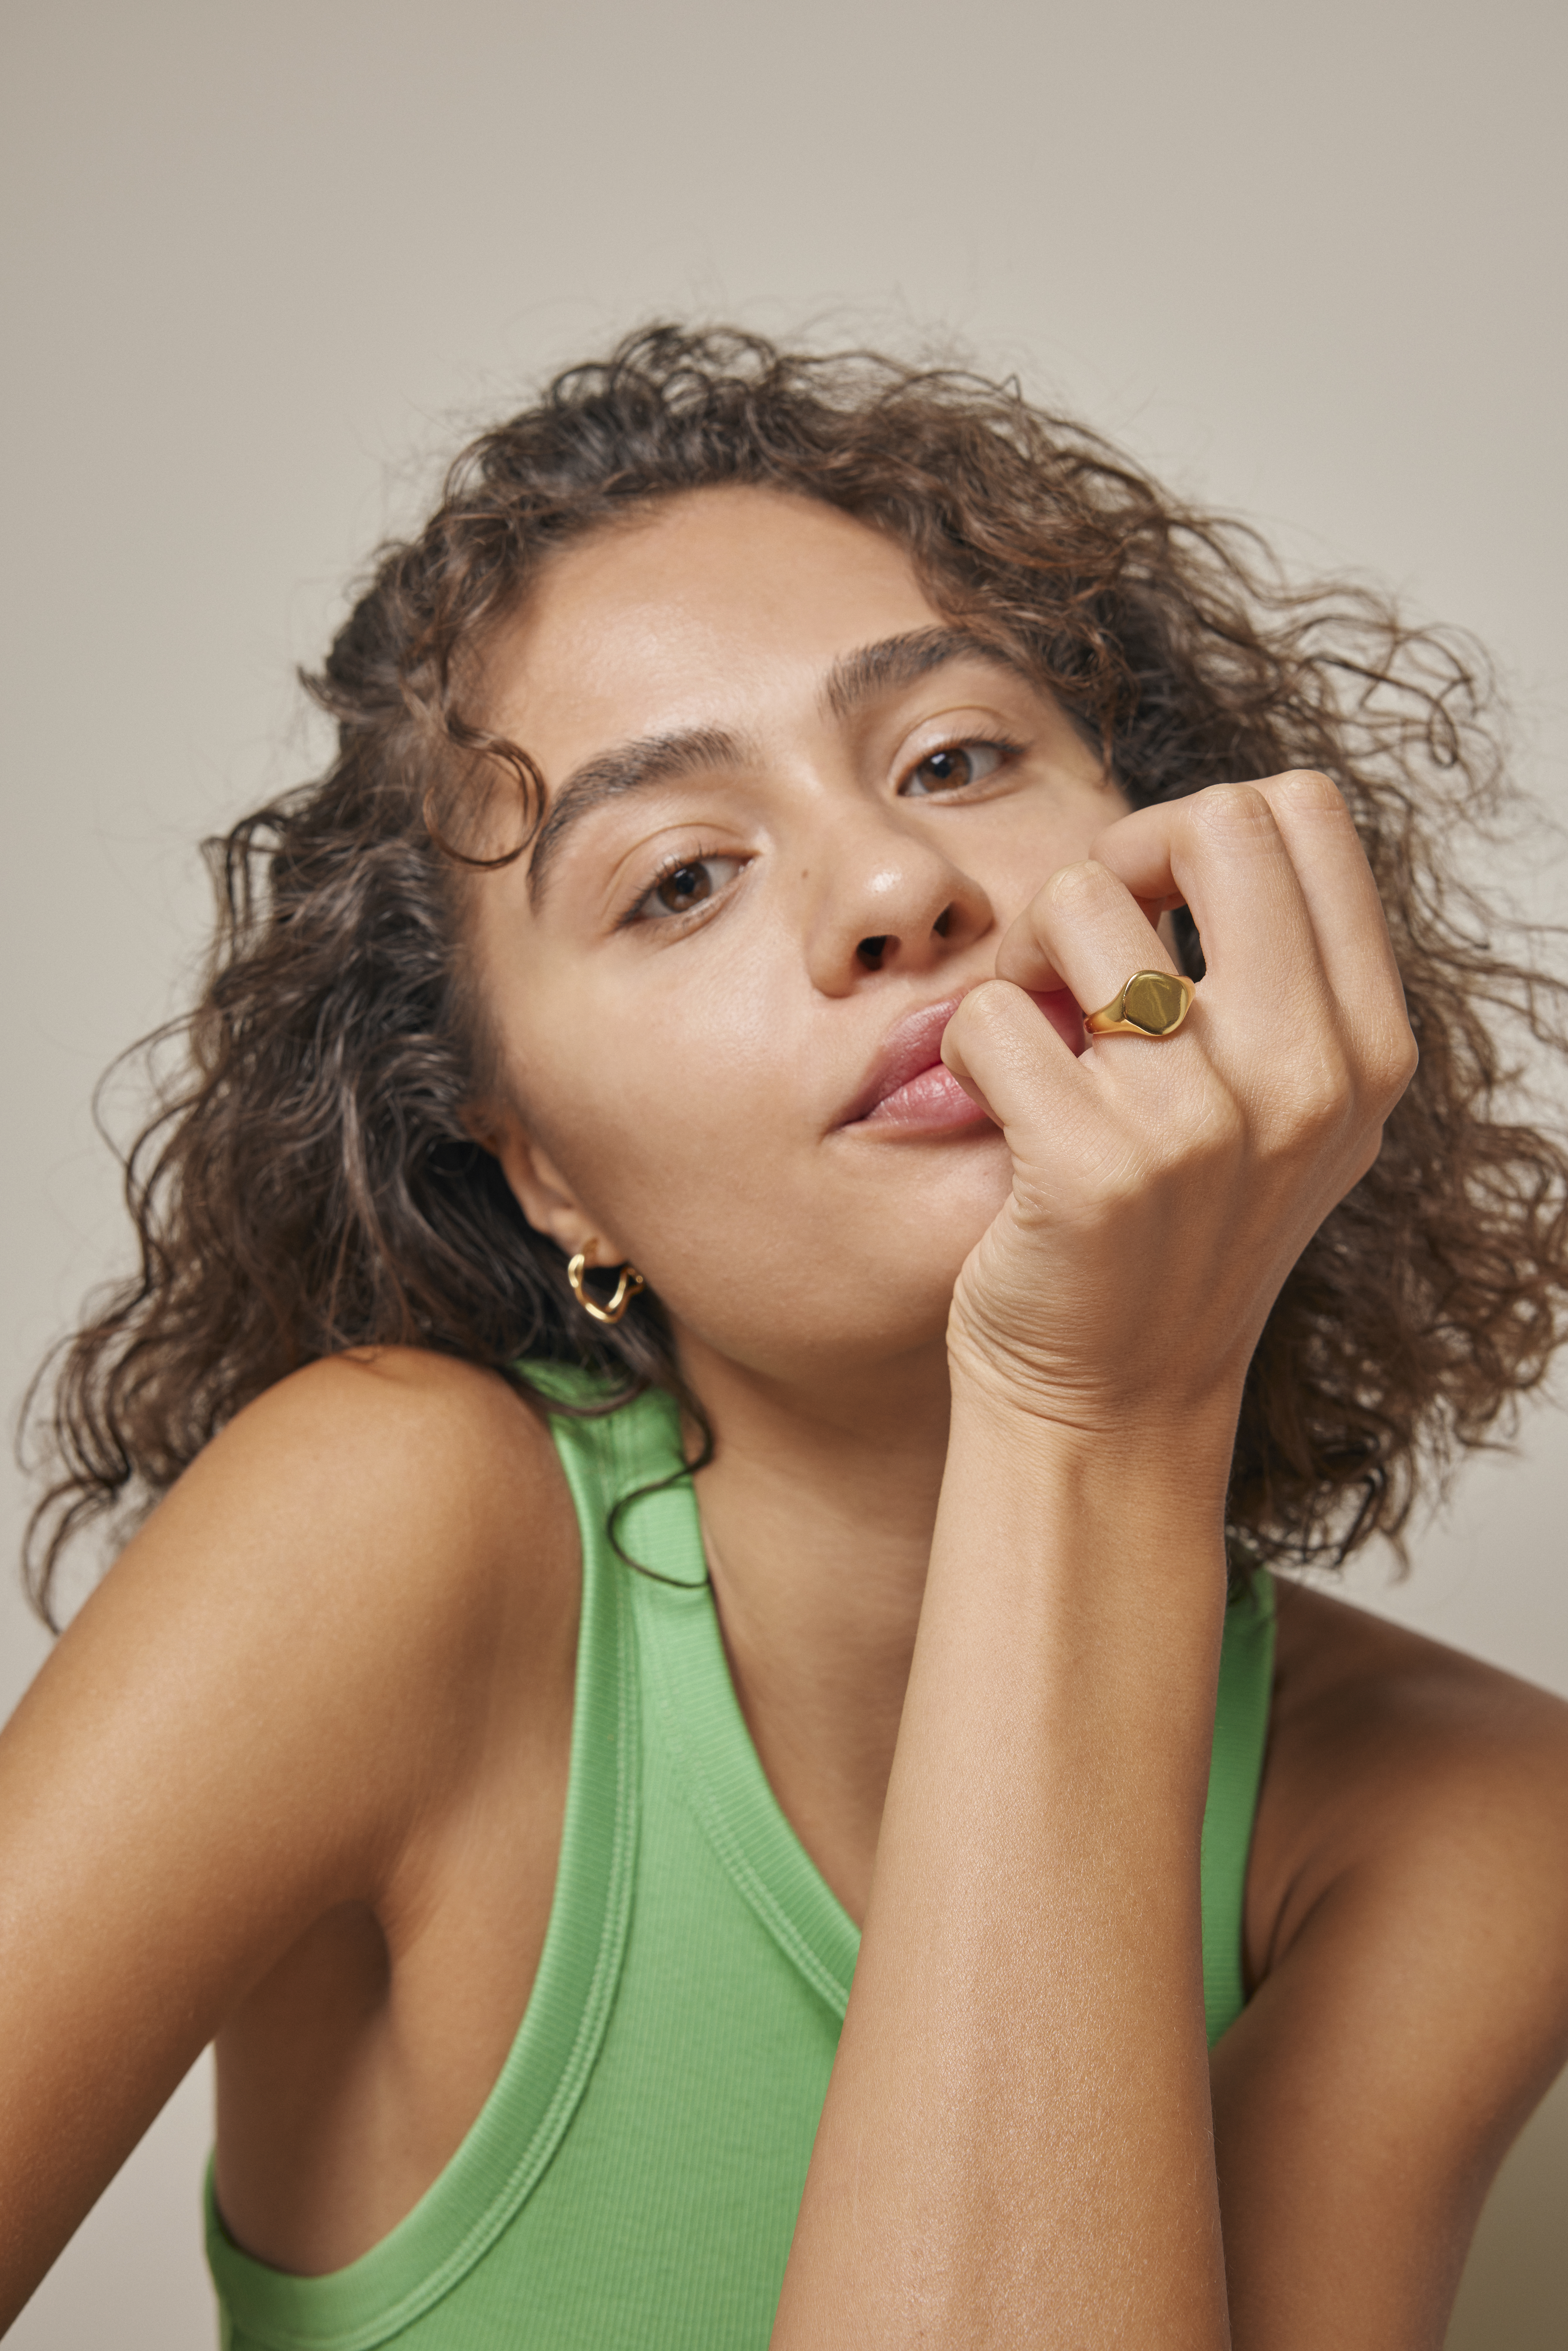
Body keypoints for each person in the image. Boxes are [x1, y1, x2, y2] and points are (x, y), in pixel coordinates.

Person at [6, 325, 1568, 2350]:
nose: (897, 888)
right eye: (678, 881)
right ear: (542, 1165)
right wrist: (1090, 1411)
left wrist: (1091, 1421)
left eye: (955, 758)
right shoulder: (385, 1532)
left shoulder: (1465, 1815)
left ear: (1185, 884)